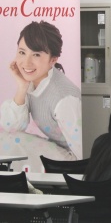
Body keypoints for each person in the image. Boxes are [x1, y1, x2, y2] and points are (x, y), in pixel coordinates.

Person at [0, 20, 81, 159]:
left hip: (71, 161)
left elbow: (80, 152)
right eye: (22, 52)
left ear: (53, 60)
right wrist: (22, 87)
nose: (26, 62)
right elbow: (11, 127)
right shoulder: (33, 81)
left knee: (12, 142)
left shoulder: (64, 99)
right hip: (57, 152)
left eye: (36, 54)